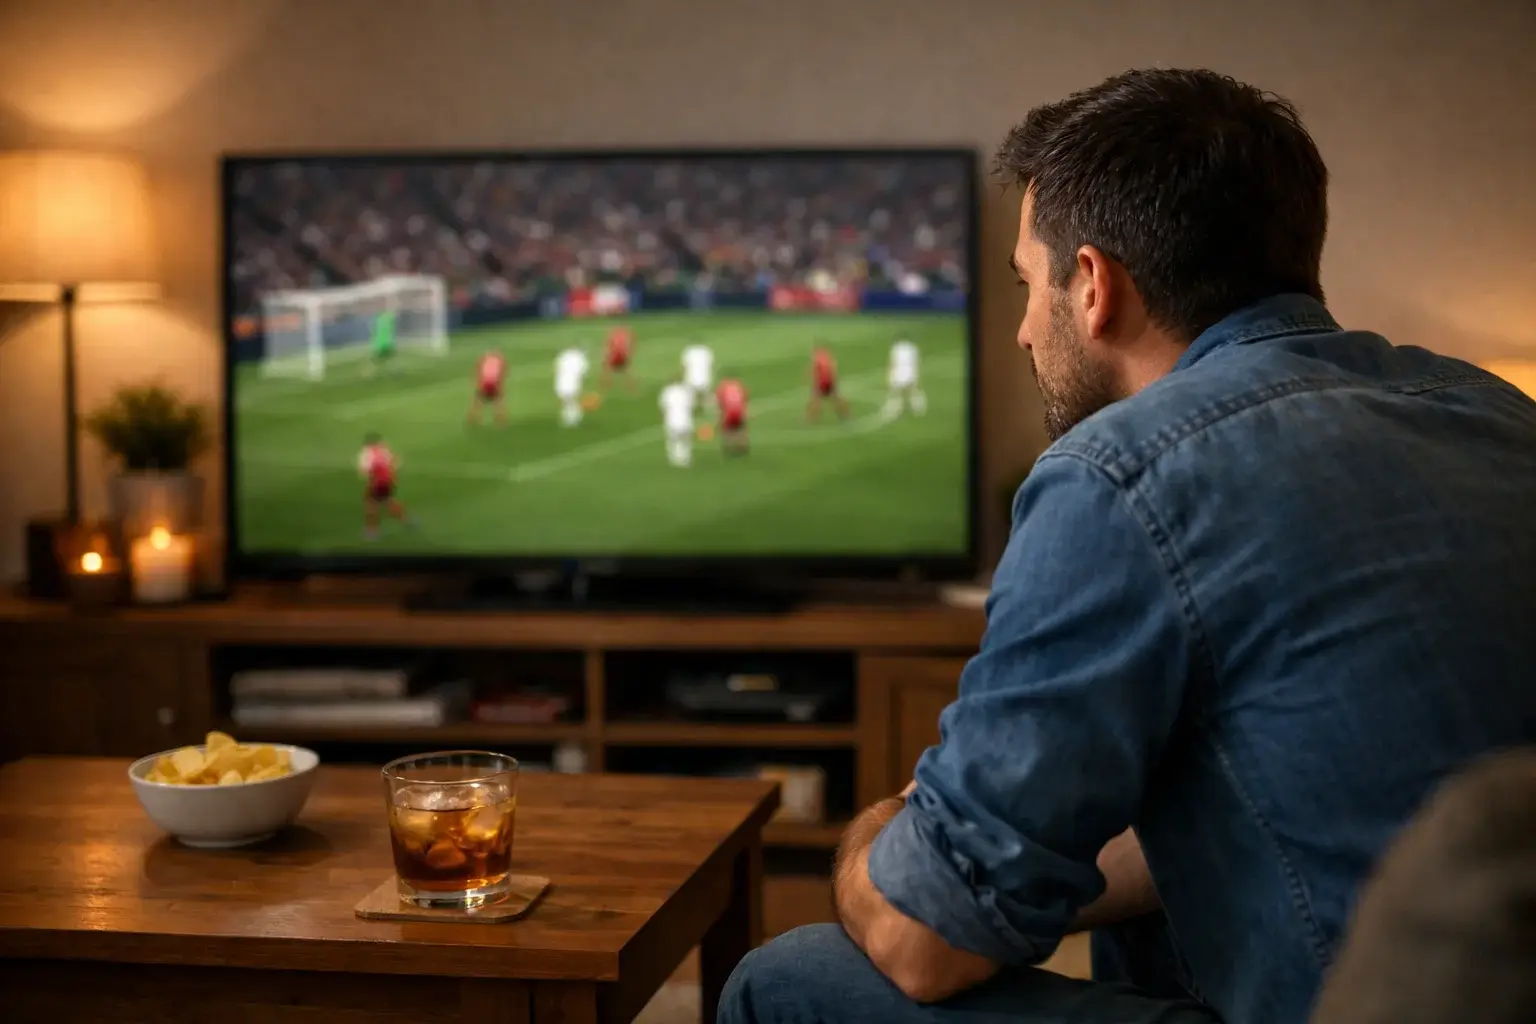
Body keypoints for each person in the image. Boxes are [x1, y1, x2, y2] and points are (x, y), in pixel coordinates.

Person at [719, 67, 1536, 1024]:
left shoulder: (1117, 472)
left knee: (787, 979)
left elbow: (923, 939)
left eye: (1029, 282)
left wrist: (876, 837)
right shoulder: (1497, 410)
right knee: (1141, 892)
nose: (1025, 329)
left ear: (1095, 286)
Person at [356, 432, 409, 539]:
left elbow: (364, 471)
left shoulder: (367, 454)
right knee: (388, 501)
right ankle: (406, 519)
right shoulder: (384, 450)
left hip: (377, 483)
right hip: (388, 481)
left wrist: (369, 475)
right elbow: (396, 462)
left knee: (371, 506)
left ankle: (372, 531)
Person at [805, 342, 850, 422]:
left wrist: (812, 378)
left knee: (815, 400)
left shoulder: (817, 358)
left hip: (822, 382)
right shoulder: (827, 357)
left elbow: (814, 371)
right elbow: (833, 368)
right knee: (837, 399)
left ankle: (810, 419)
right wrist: (834, 381)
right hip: (830, 381)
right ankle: (846, 415)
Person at [883, 337, 926, 418]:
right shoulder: (913, 348)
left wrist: (889, 375)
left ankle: (893, 411)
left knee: (896, 393)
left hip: (899, 373)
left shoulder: (895, 349)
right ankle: (919, 408)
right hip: (910, 372)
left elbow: (892, 363)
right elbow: (916, 362)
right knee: (913, 391)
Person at [658, 375, 696, 468]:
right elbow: (692, 406)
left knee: (673, 440)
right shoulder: (686, 391)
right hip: (685, 420)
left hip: (671, 420)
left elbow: (663, 407)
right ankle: (685, 458)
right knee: (685, 440)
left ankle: (674, 458)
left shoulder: (667, 391)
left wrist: (663, 418)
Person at [467, 348, 508, 426]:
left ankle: (472, 419)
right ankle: (501, 421)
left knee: (478, 401)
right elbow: (502, 375)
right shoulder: (499, 360)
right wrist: (501, 386)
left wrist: (477, 383)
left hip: (485, 382)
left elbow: (478, 370)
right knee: (498, 401)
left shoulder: (485, 359)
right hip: (493, 382)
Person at [553, 345, 590, 427]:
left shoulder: (563, 356)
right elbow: (584, 372)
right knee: (571, 400)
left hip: (564, 382)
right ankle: (573, 419)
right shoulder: (579, 357)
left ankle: (571, 419)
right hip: (572, 382)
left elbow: (557, 368)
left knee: (567, 400)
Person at [716, 375, 749, 456]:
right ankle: (743, 445)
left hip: (729, 413)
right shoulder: (739, 386)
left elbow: (720, 405)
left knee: (727, 430)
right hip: (739, 411)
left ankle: (729, 448)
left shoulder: (722, 388)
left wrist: (719, 419)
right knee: (740, 428)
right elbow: (744, 400)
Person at [681, 339, 716, 417]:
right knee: (706, 397)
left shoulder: (688, 352)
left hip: (691, 380)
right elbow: (711, 365)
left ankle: (691, 413)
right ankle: (710, 412)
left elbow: (684, 367)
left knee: (690, 398)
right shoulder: (706, 351)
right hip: (704, 379)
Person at [601, 324, 636, 393]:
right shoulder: (625, 336)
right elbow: (628, 348)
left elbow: (608, 349)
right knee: (628, 370)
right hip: (623, 356)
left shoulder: (612, 337)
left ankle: (607, 384)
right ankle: (631, 385)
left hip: (615, 356)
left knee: (606, 368)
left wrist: (605, 357)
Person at [364, 306, 397, 377]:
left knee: (376, 360)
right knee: (388, 359)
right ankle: (395, 371)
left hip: (381, 344)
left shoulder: (378, 321)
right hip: (387, 344)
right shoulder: (385, 320)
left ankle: (368, 372)